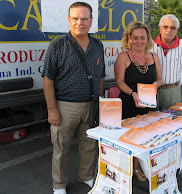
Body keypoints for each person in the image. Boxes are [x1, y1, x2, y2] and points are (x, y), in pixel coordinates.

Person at [42, 2, 105, 194]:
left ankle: (86, 176)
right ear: (69, 20)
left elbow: (101, 75)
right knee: (61, 148)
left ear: (91, 21)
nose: (80, 22)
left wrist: (100, 103)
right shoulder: (57, 45)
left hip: (91, 105)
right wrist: (52, 109)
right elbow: (48, 79)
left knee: (89, 145)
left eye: (84, 18)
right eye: (75, 18)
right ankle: (59, 185)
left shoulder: (97, 45)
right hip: (65, 106)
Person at [114, 21, 162, 181]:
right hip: (129, 103)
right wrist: (133, 93)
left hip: (149, 103)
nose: (139, 41)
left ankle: (140, 166)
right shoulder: (123, 56)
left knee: (146, 137)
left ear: (147, 38)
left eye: (142, 37)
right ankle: (129, 168)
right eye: (136, 38)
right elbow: (119, 82)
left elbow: (160, 79)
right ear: (129, 38)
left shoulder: (154, 57)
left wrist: (155, 85)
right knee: (129, 138)